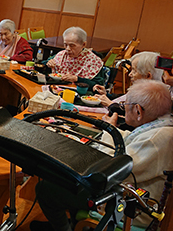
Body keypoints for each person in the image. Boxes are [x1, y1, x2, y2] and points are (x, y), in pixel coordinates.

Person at [31, 79, 173, 231]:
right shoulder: (162, 127)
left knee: (47, 188)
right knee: (72, 178)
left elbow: (108, 169)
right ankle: (72, 223)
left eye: (125, 105)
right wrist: (112, 130)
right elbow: (132, 140)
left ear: (138, 111)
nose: (123, 109)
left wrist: (109, 130)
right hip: (126, 190)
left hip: (128, 206)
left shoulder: (156, 139)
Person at [93, 51, 163, 107]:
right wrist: (106, 95)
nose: (130, 74)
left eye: (134, 71)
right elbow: (124, 99)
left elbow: (131, 118)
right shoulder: (142, 91)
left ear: (148, 76)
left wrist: (111, 105)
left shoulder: (151, 98)